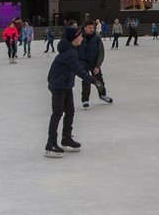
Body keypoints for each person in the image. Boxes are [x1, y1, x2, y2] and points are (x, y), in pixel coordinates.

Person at [44, 27, 106, 158]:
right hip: (58, 85)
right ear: (73, 39)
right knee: (57, 113)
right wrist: (94, 81)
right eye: (79, 36)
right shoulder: (70, 53)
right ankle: (51, 143)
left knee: (70, 111)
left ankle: (66, 138)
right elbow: (79, 70)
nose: (82, 38)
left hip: (65, 84)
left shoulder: (72, 50)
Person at [77, 20, 113, 109]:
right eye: (89, 28)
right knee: (86, 81)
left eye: (93, 28)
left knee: (99, 79)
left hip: (94, 62)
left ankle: (102, 95)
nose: (91, 29)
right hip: (82, 62)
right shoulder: (79, 37)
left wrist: (98, 65)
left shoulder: (97, 38)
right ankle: (85, 100)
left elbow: (101, 52)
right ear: (85, 28)